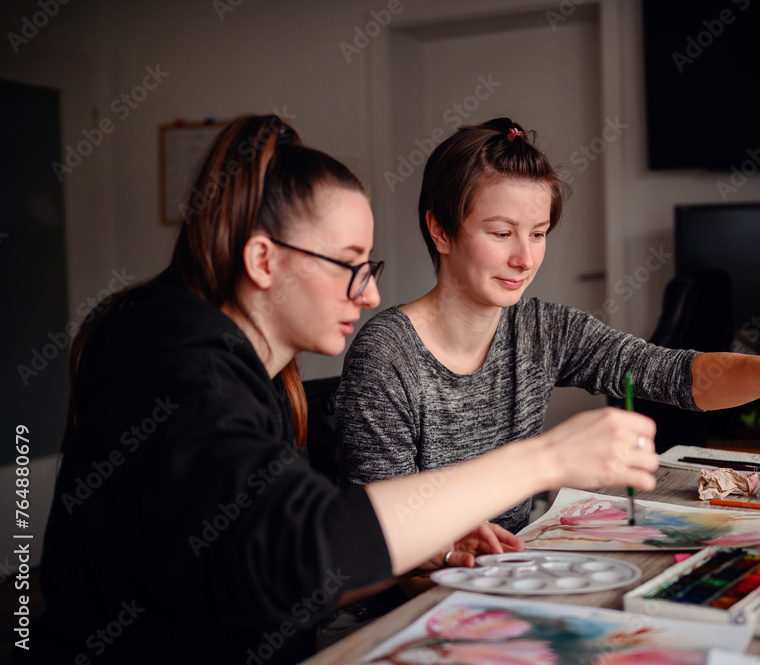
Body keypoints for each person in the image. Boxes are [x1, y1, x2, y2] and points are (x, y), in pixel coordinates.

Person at [23, 115, 659, 665]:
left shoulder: (253, 371)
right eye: (350, 265)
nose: (372, 293)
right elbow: (296, 554)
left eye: (370, 266)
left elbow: (285, 562)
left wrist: (420, 547)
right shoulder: (181, 373)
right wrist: (542, 460)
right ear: (264, 260)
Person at [335, 117, 760, 535]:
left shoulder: (543, 329)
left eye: (538, 233)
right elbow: (375, 533)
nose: (525, 258)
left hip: (501, 572)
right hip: (411, 605)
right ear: (440, 230)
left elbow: (672, 375)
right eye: (501, 233)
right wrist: (449, 545)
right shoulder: (388, 355)